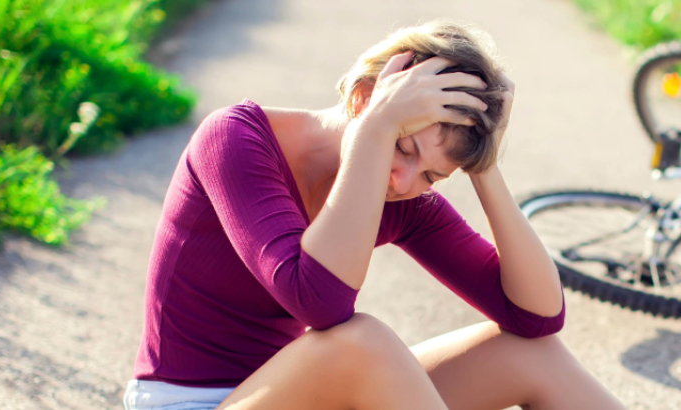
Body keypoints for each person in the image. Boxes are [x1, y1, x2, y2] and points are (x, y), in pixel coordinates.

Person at [122, 21, 626, 410]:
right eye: (403, 147)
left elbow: (536, 316)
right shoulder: (235, 138)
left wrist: (484, 168)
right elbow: (318, 302)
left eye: (432, 175)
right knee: (360, 340)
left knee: (529, 354)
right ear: (365, 96)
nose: (404, 181)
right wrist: (375, 130)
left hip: (298, 395)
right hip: (191, 401)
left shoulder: (402, 200)